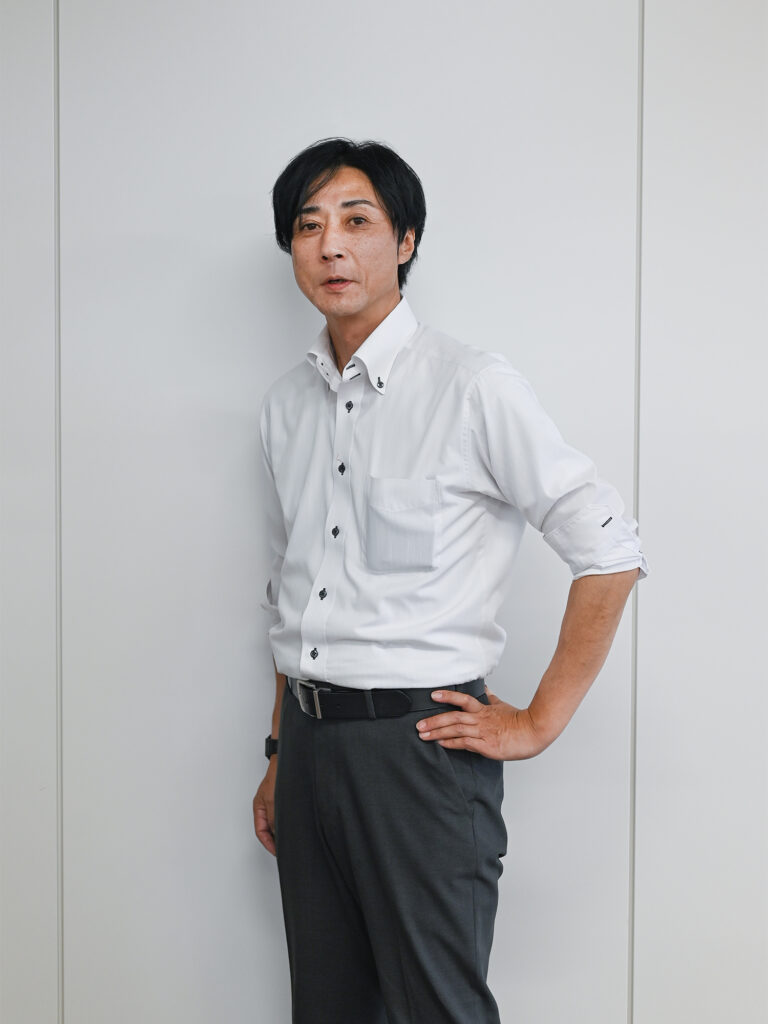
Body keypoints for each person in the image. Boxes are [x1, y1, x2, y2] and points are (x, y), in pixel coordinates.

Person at [252, 137, 647, 1024]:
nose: (331, 245)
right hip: (309, 753)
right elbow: (290, 594)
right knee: (327, 1008)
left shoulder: (471, 386)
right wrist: (280, 755)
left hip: (419, 750)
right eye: (308, 226)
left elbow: (609, 546)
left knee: (436, 1010)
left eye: (357, 220)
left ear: (406, 241)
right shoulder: (284, 408)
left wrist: (537, 721)